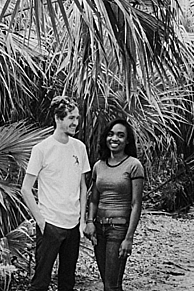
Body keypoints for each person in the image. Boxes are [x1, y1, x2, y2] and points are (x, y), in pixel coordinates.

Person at [21, 95, 91, 291]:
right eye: (71, 118)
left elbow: (82, 186)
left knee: (67, 282)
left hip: (73, 226)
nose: (75, 123)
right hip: (50, 224)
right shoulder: (42, 149)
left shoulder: (80, 147)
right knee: (41, 281)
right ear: (58, 119)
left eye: (77, 118)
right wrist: (42, 222)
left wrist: (82, 221)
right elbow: (26, 189)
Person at [83, 118, 144, 290]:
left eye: (120, 135)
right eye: (110, 134)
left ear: (127, 140)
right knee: (109, 284)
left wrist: (129, 238)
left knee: (111, 285)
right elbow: (93, 199)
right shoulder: (99, 166)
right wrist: (89, 222)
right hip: (99, 228)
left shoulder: (133, 165)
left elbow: (136, 204)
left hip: (118, 229)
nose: (114, 139)